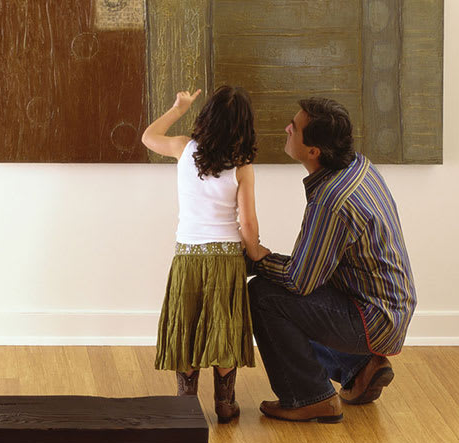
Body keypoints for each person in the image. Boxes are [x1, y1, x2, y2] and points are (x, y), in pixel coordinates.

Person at [248, 97, 416, 423]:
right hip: (386, 306)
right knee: (286, 293)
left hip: (372, 318)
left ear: (314, 152)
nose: (287, 127)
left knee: (264, 295)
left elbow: (300, 280)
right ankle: (359, 367)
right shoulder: (358, 166)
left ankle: (311, 398)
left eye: (294, 128)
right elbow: (313, 270)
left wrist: (256, 259)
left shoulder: (332, 200)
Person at [142, 85, 263, 422]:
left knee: (188, 323)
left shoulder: (183, 148)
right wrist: (255, 251)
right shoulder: (242, 166)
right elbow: (248, 223)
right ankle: (225, 403)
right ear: (244, 127)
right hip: (226, 256)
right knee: (222, 324)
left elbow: (148, 137)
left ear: (207, 118)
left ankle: (185, 403)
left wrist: (179, 107)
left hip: (188, 255)